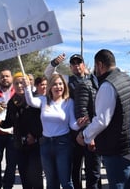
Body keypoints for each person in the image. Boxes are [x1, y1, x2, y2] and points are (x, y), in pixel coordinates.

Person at [76, 49, 130, 189]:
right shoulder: (128, 79)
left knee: (119, 185)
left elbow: (102, 120)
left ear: (100, 65)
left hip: (117, 149)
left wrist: (84, 135)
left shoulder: (107, 86)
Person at [45, 53, 99, 189]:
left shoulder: (94, 79)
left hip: (93, 127)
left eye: (79, 63)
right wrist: (54, 63)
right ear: (70, 67)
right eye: (73, 64)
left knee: (94, 168)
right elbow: (49, 74)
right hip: (75, 130)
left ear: (83, 65)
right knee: (76, 167)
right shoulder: (67, 80)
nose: (76, 66)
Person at [25, 73, 87, 189]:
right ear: (50, 87)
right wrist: (27, 87)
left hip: (63, 144)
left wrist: (79, 124)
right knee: (51, 182)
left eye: (60, 84)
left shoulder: (69, 102)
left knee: (66, 182)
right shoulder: (43, 100)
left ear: (64, 86)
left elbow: (73, 125)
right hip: (45, 144)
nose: (58, 87)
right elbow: (30, 101)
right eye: (55, 84)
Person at [0, 72, 43, 189]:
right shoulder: (12, 102)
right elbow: (10, 122)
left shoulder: (35, 99)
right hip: (20, 145)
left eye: (22, 83)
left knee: (35, 178)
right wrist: (0, 123)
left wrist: (34, 136)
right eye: (17, 83)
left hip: (35, 144)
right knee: (24, 177)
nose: (20, 86)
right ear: (13, 86)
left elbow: (41, 121)